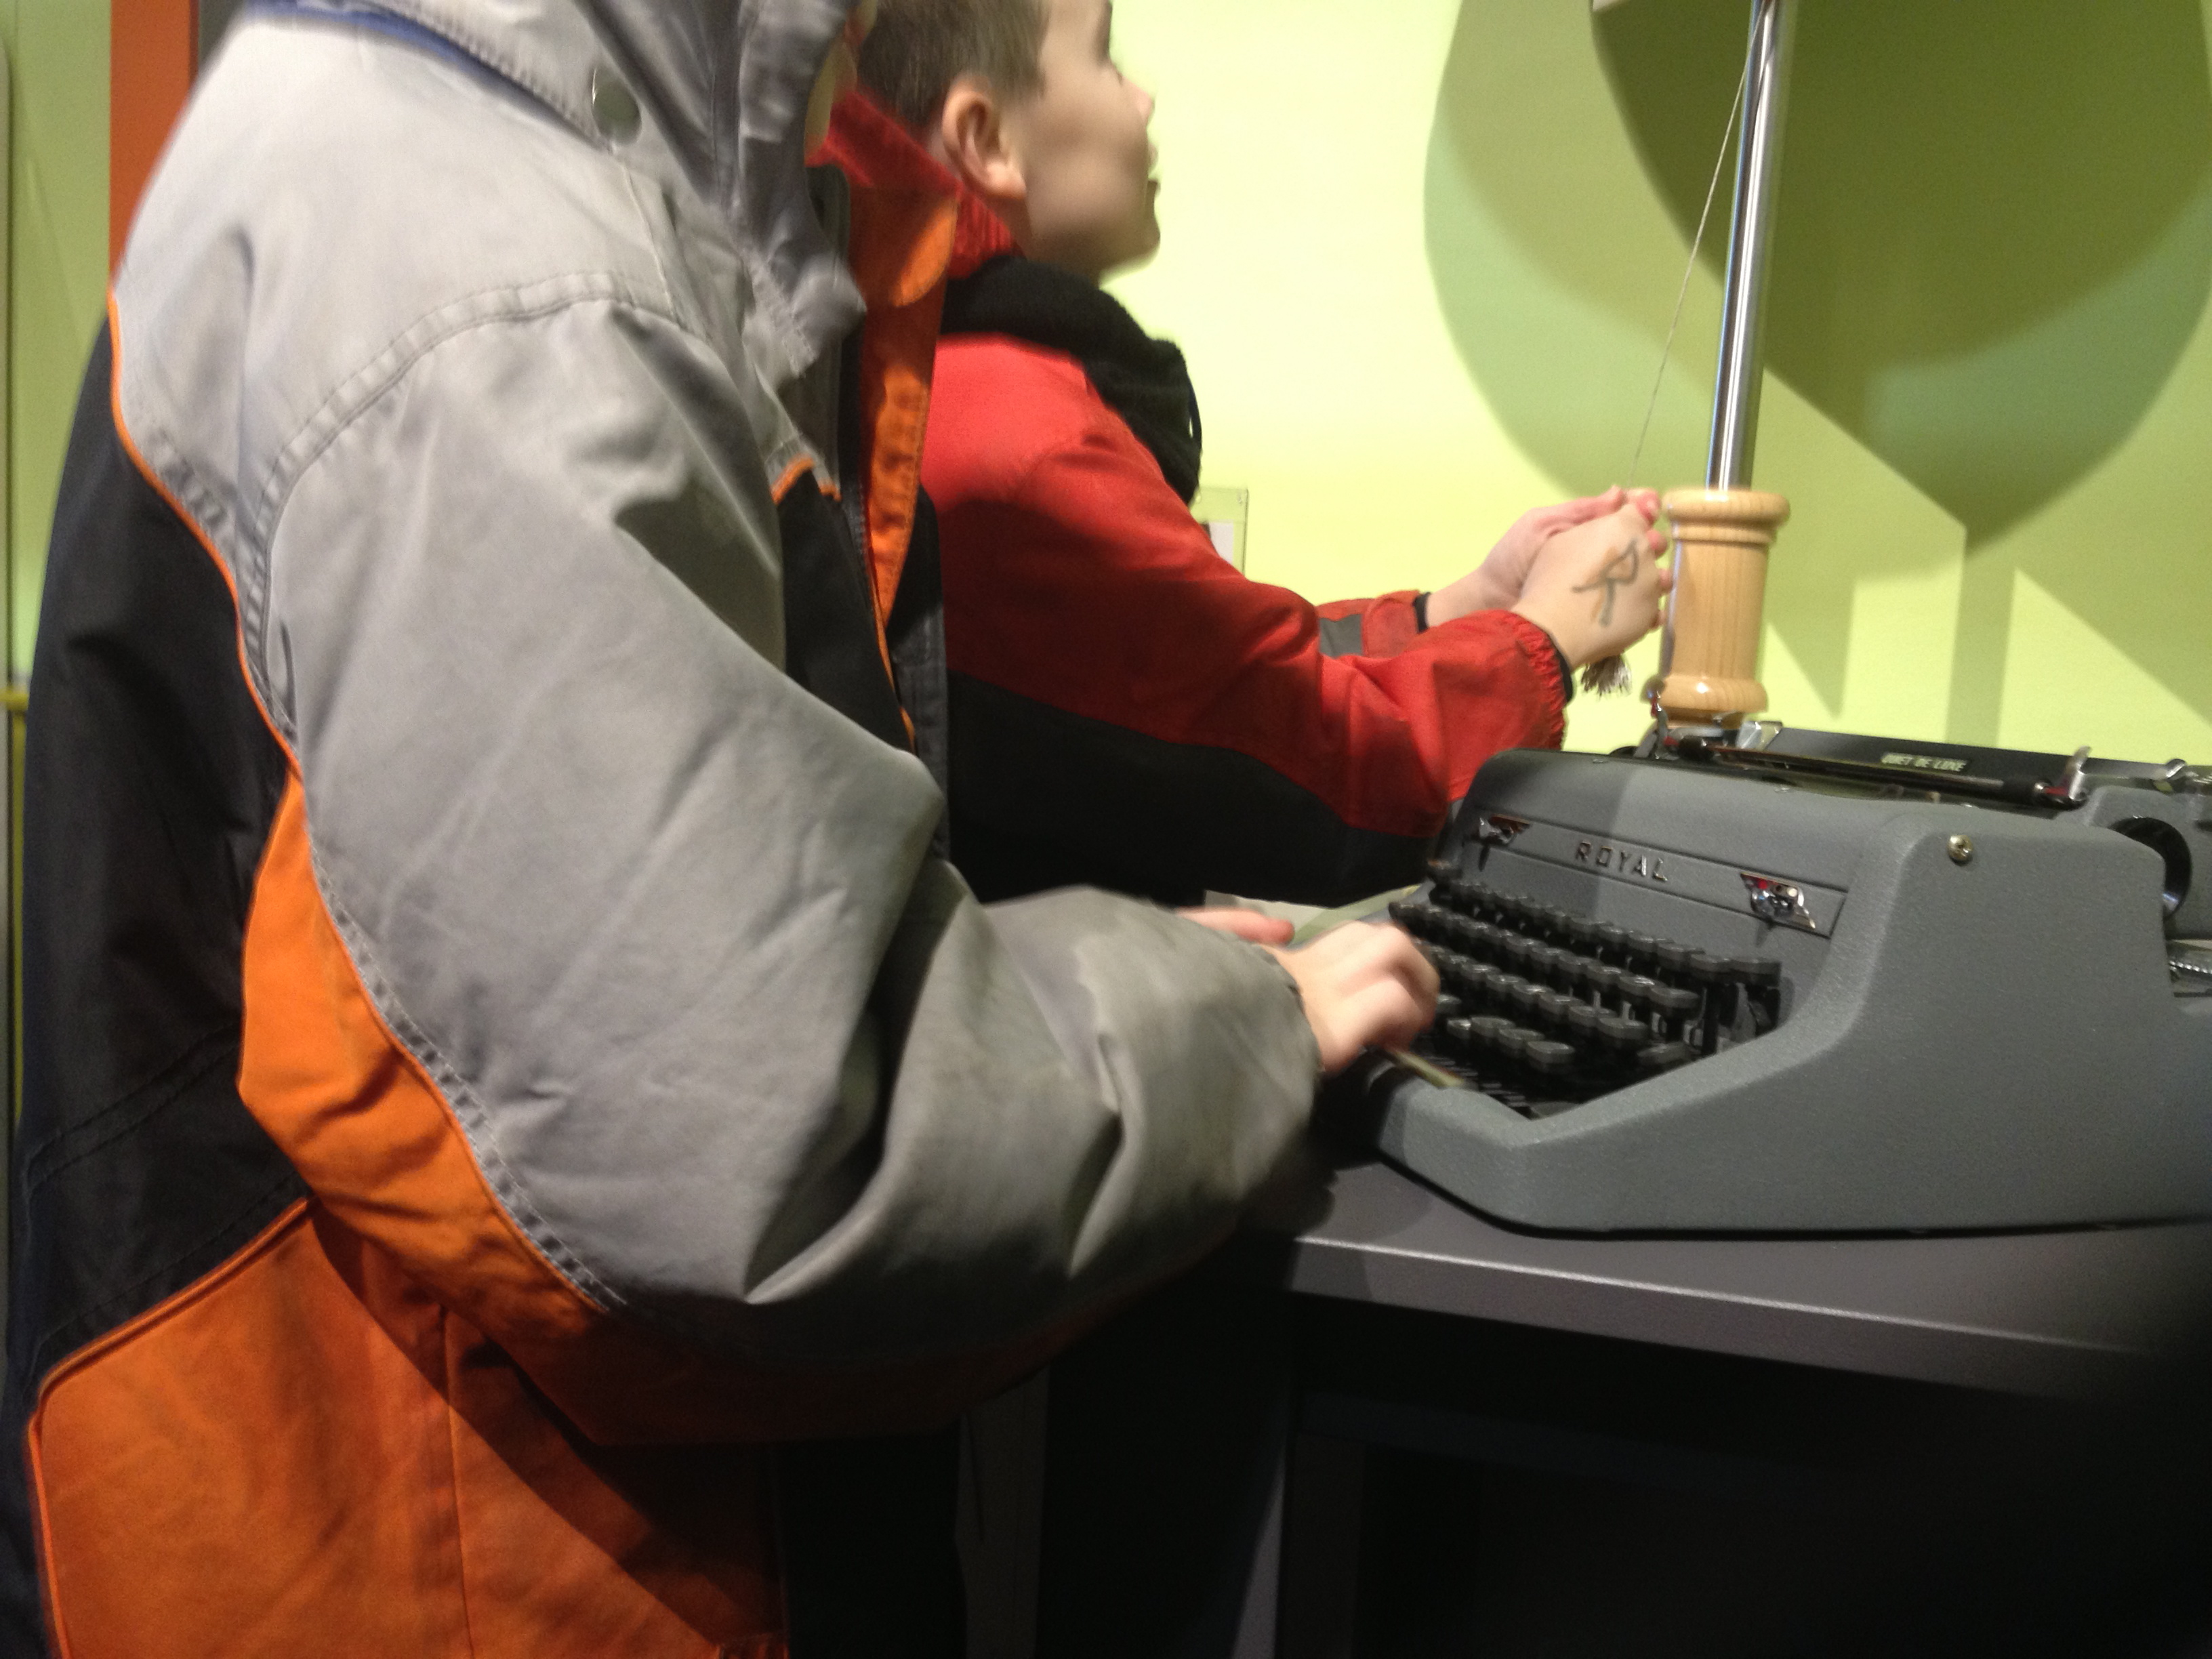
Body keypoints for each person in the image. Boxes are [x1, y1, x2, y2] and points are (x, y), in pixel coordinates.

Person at [0, 1, 1441, 1653]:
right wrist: (1235, 1020)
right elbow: (756, 1158)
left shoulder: (485, 176)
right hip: (488, 1585)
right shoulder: (502, 287)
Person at [848, 0, 1672, 908]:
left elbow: (1216, 665)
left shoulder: (945, 382)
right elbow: (1331, 778)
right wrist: (1548, 635)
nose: (1144, 98)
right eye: (1107, 59)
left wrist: (1461, 607)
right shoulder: (1023, 449)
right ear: (985, 138)